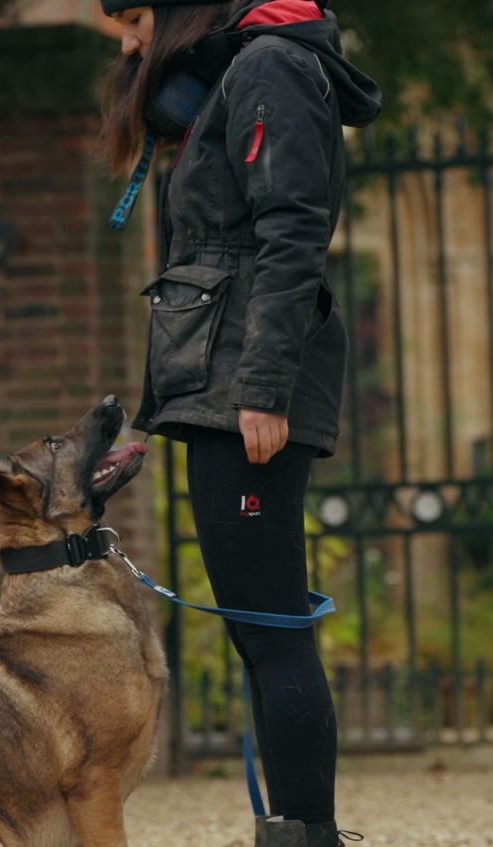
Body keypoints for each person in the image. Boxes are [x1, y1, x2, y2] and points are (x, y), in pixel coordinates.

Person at [97, 2, 382, 847]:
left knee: (271, 626)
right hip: (221, 381)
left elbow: (292, 230)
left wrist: (262, 387)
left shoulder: (269, 68)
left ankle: (308, 834)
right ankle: (293, 831)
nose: (126, 41)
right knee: (260, 629)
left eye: (132, 16)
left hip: (244, 389)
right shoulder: (242, 71)